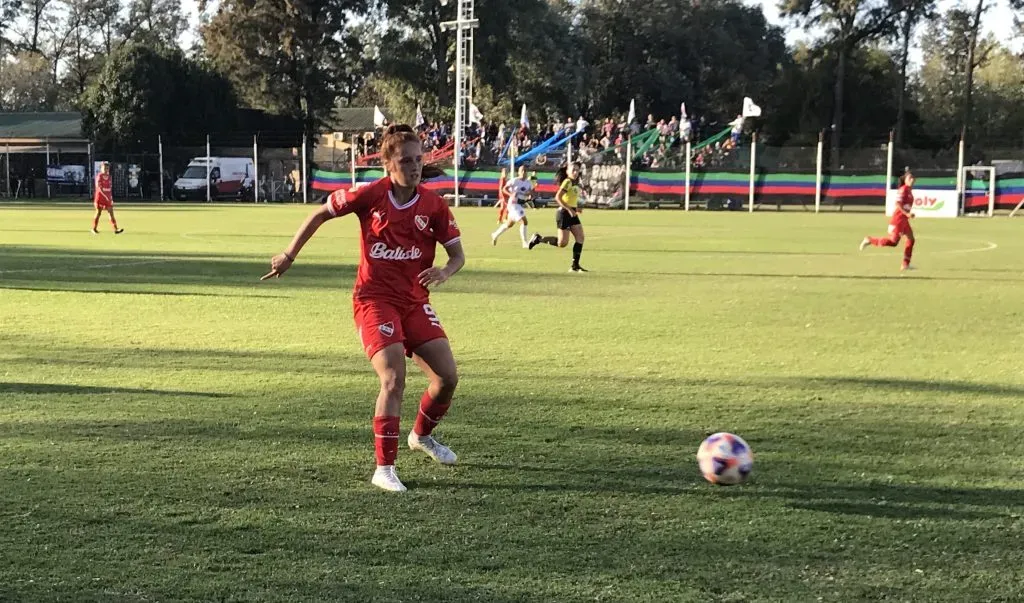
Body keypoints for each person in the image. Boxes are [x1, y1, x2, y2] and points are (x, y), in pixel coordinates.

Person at [261, 124, 466, 493]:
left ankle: (421, 437)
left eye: (419, 159)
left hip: (415, 302)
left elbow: (457, 255)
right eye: (406, 160)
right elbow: (320, 213)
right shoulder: (372, 194)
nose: (415, 166)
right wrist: (289, 254)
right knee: (392, 378)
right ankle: (383, 468)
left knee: (447, 378)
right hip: (374, 302)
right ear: (388, 164)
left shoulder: (434, 206)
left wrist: (445, 271)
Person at [528, 163, 587, 272]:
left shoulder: (575, 183)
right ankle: (538, 239)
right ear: (567, 172)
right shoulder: (567, 182)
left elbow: (569, 198)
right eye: (573, 170)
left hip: (572, 212)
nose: (575, 172)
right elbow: (558, 198)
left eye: (577, 170)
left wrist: (575, 208)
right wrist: (569, 209)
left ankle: (575, 266)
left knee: (580, 237)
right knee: (562, 243)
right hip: (564, 213)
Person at [860, 169, 916, 271]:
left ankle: (905, 264)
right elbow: (898, 204)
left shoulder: (910, 192)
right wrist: (907, 213)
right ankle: (869, 240)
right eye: (910, 178)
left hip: (904, 220)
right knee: (893, 242)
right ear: (905, 180)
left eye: (913, 178)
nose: (912, 179)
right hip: (898, 220)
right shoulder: (903, 189)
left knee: (911, 239)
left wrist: (907, 215)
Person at [491, 165, 534, 248]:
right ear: (518, 172)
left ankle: (495, 234)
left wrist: (529, 195)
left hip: (520, 204)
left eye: (525, 171)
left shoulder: (528, 183)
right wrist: (511, 194)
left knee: (509, 224)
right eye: (522, 170)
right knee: (524, 221)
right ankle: (524, 243)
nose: (524, 172)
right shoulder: (514, 180)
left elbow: (531, 192)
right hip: (513, 204)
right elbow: (504, 189)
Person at [91, 162, 123, 235]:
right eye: (104, 168)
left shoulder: (109, 177)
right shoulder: (99, 176)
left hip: (107, 198)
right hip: (100, 197)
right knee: (98, 213)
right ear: (101, 169)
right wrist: (105, 196)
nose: (106, 169)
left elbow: (109, 188)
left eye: (107, 168)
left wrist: (110, 197)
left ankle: (116, 229)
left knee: (111, 213)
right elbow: (99, 188)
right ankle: (94, 228)